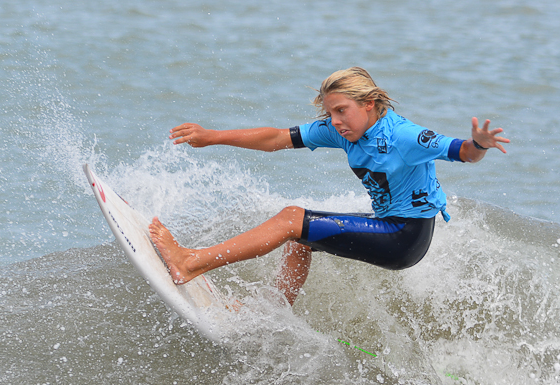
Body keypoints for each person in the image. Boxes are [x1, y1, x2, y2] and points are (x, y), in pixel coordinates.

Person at [149, 67, 509, 305]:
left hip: (404, 236)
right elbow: (276, 138)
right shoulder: (345, 131)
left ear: (369, 105)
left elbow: (463, 152)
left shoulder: (404, 136)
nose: (334, 122)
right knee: (299, 237)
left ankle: (191, 262)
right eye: (330, 112)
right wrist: (211, 136)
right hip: (388, 224)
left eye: (341, 110)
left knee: (292, 219)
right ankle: (274, 310)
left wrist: (479, 144)